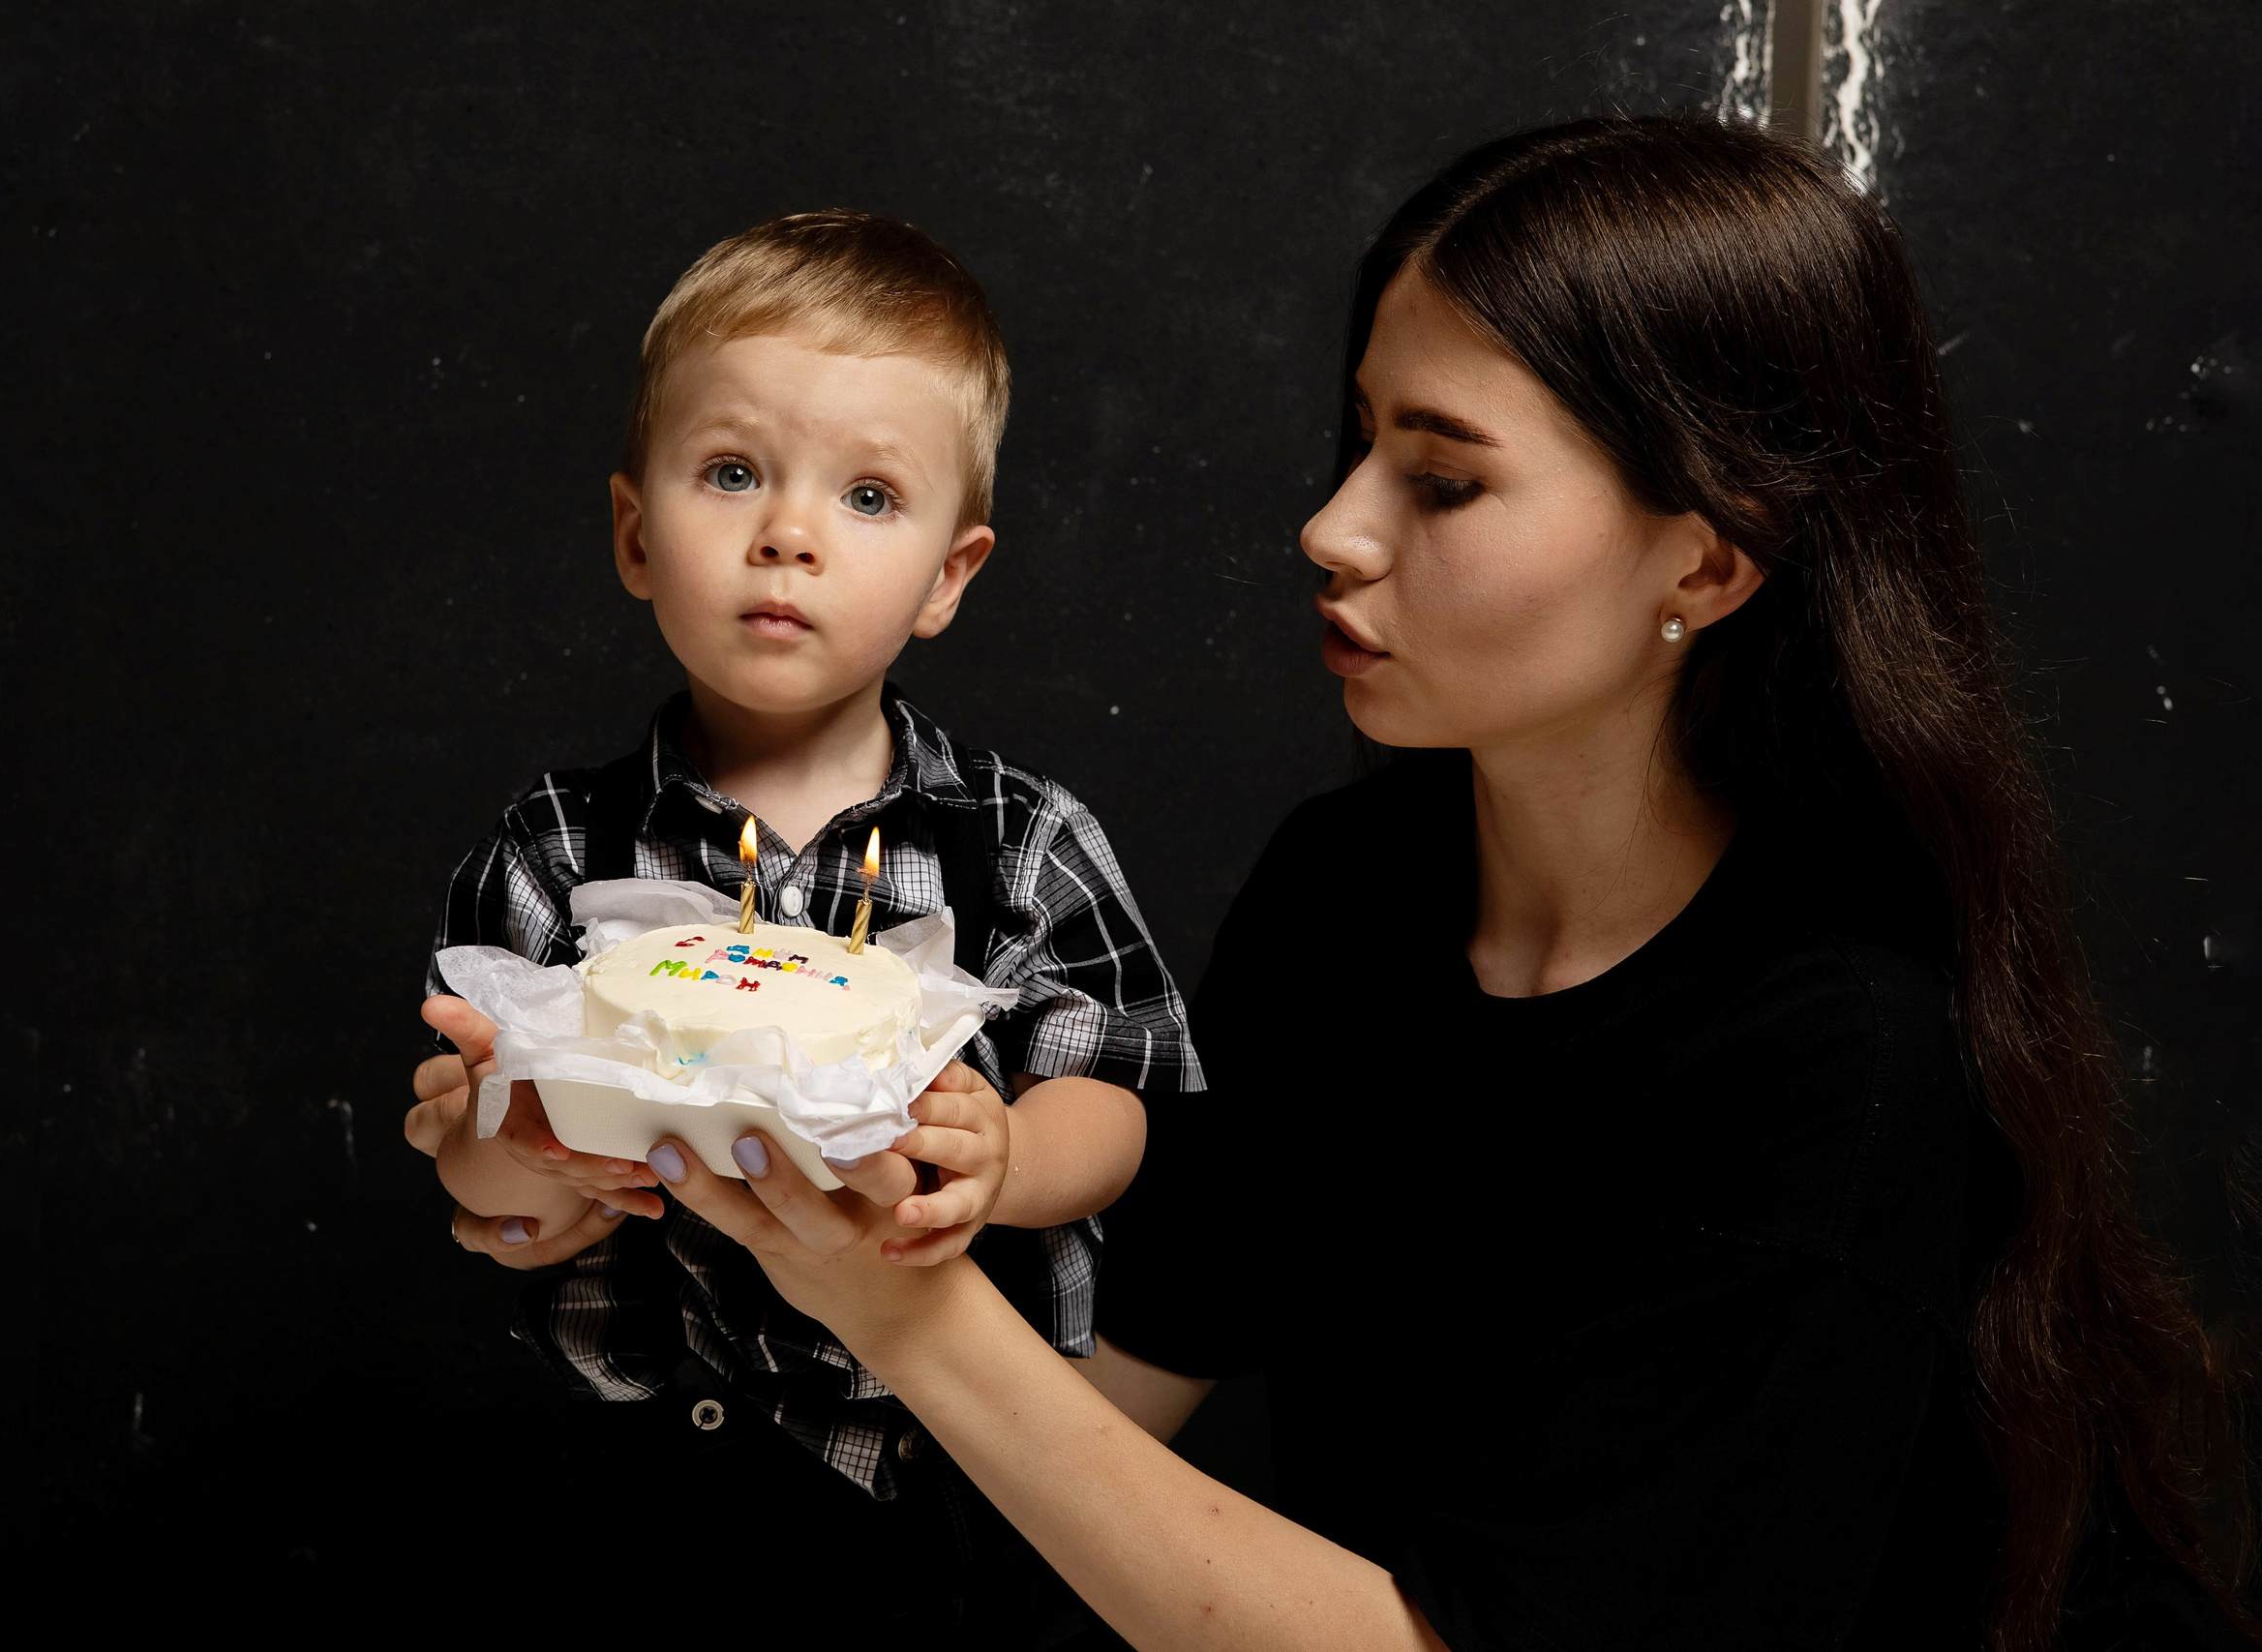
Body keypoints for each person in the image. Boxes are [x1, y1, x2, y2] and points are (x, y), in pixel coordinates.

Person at [632, 117, 2252, 1649]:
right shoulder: (1349, 897)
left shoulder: (1848, 1053)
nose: (1331, 529)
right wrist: (662, 1183)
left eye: (1444, 476)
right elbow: (1090, 1428)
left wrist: (899, 1311)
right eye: (1359, 441)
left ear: (1708, 559)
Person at [401, 211, 1197, 1637]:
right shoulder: (552, 851)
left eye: (870, 499)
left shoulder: (1021, 843)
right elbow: (495, 1197)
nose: (788, 534)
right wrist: (503, 1139)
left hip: (961, 1467)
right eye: (731, 474)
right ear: (637, 537)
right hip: (657, 1476)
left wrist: (1007, 1155)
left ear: (952, 576)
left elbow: (1122, 1099)